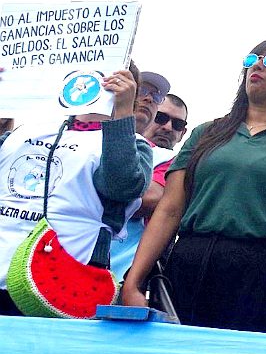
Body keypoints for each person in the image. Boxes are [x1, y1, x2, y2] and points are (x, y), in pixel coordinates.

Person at [121, 39, 266, 334]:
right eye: (251, 60)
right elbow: (169, 210)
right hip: (190, 267)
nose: (257, 65)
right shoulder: (207, 133)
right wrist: (134, 281)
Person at [0, 64, 153, 315]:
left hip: (61, 284)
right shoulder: (25, 131)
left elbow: (122, 186)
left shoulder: (136, 145)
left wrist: (122, 114)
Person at [109, 84, 187, 280]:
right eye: (161, 118)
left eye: (177, 124)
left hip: (123, 272)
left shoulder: (176, 161)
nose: (168, 127)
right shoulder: (103, 139)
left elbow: (149, 200)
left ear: (183, 133)